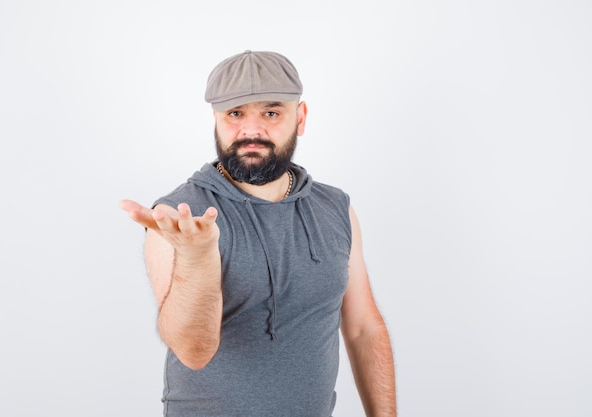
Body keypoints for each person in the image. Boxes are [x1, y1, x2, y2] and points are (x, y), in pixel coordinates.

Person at [120, 50, 396, 417]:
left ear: (300, 117)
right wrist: (197, 258)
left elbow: (363, 328)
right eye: (235, 114)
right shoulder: (179, 216)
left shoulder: (335, 207)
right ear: (215, 120)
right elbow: (193, 352)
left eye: (271, 112)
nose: (251, 131)